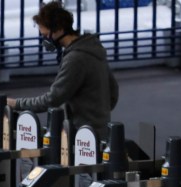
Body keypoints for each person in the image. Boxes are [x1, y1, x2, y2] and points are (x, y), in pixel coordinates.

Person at [8, 1, 119, 141]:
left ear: (59, 29)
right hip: (100, 130)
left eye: (46, 34)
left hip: (84, 136)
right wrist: (99, 115)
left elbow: (52, 99)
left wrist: (16, 104)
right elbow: (113, 91)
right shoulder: (93, 49)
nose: (45, 39)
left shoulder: (76, 59)